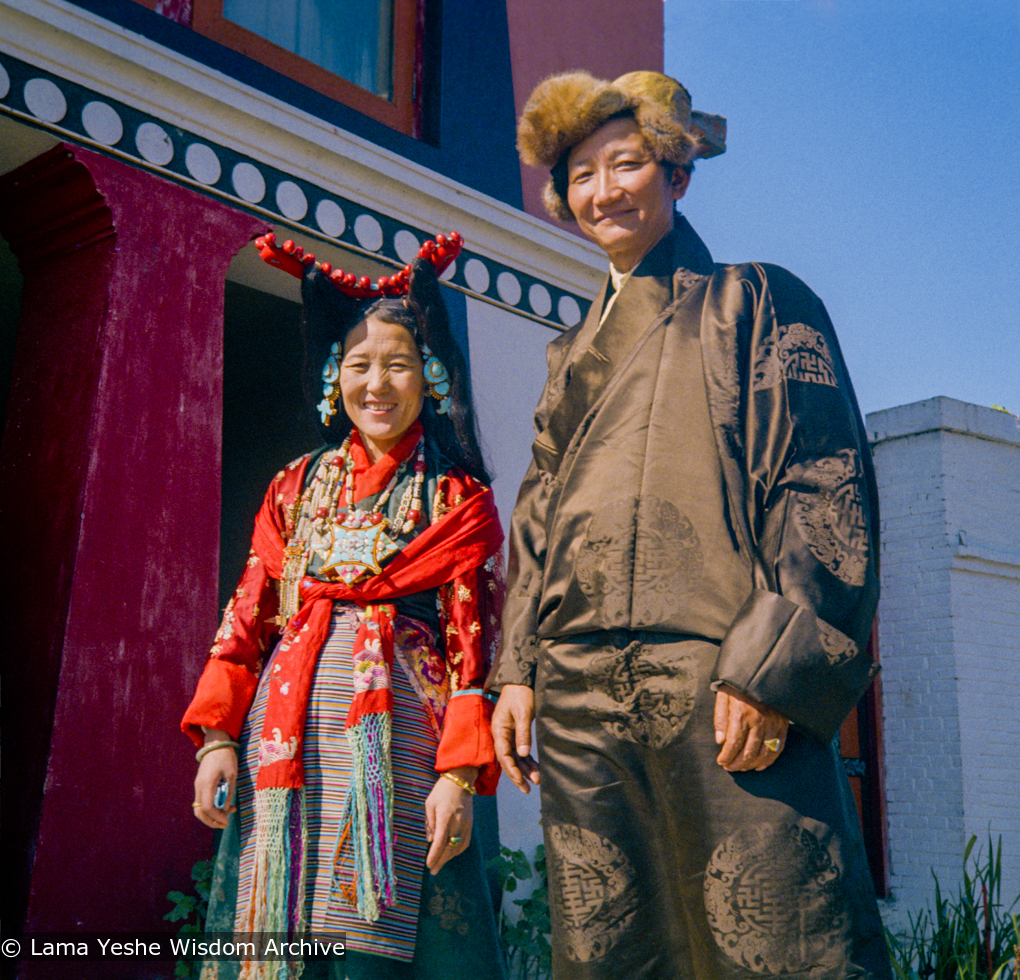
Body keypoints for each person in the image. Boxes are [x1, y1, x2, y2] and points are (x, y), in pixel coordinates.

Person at [489, 71, 891, 980]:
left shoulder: (756, 299)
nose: (603, 191)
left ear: (677, 175)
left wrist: (770, 671)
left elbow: (820, 481)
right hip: (580, 700)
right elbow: (537, 519)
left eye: (626, 165)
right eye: (581, 176)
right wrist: (516, 673)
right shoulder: (570, 357)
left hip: (724, 683)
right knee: (613, 954)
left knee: (779, 942)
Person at [182, 234, 506, 980]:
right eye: (359, 365)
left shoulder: (455, 499)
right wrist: (215, 739)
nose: (377, 384)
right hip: (283, 749)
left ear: (431, 375)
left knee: (377, 945)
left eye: (398, 364)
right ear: (335, 376)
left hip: (405, 759)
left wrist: (459, 777)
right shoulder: (293, 487)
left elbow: (475, 652)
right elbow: (247, 619)